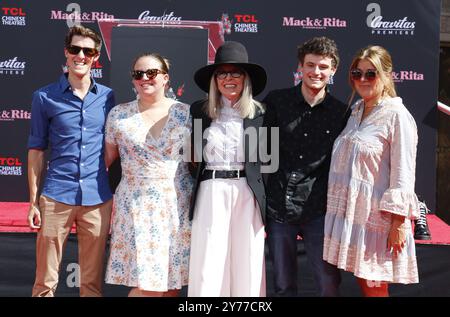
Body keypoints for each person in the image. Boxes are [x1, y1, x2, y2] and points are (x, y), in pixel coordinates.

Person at [323, 45, 419, 296]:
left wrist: (398, 223)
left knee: (374, 287)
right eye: (357, 73)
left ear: (387, 75)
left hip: (378, 221)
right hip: (353, 216)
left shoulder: (397, 115)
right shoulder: (356, 110)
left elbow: (404, 173)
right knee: (365, 285)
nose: (363, 79)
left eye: (371, 73)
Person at [27, 25, 115, 297]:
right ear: (66, 52)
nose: (81, 55)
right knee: (45, 283)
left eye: (88, 51)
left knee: (91, 285)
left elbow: (112, 145)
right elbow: (36, 150)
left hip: (97, 198)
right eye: (75, 49)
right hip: (56, 197)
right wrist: (33, 201)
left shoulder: (107, 97)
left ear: (96, 57)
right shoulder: (44, 97)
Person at [263, 36, 350, 296]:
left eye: (323, 67)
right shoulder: (277, 102)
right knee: (283, 285)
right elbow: (259, 151)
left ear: (333, 70)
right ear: (300, 67)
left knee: (328, 283)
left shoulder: (341, 112)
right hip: (279, 209)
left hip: (319, 211)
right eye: (310, 65)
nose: (316, 72)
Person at [104, 53, 193, 297]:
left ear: (166, 78)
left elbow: (196, 161)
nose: (144, 78)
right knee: (146, 282)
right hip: (135, 206)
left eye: (151, 73)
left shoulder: (187, 114)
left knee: (171, 282)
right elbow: (107, 161)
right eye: (138, 74)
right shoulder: (118, 115)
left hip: (176, 205)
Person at [188, 41, 267, 297]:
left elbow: (270, 163)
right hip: (210, 190)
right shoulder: (198, 112)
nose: (229, 78)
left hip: (247, 192)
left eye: (236, 73)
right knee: (208, 261)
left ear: (246, 79)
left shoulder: (262, 114)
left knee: (248, 260)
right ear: (215, 79)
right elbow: (191, 159)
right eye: (222, 73)